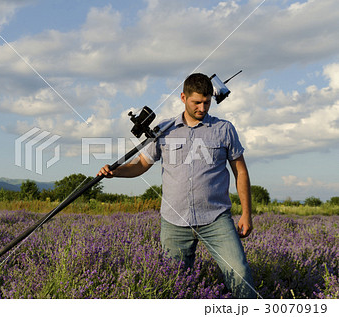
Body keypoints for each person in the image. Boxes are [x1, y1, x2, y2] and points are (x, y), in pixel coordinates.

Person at [97, 73, 256, 298]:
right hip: (174, 222)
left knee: (240, 275)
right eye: (197, 102)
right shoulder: (164, 129)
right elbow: (141, 165)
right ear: (183, 97)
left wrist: (246, 214)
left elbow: (240, 171)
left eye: (207, 102)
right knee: (173, 285)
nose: (203, 107)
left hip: (216, 218)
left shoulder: (224, 129)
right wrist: (115, 172)